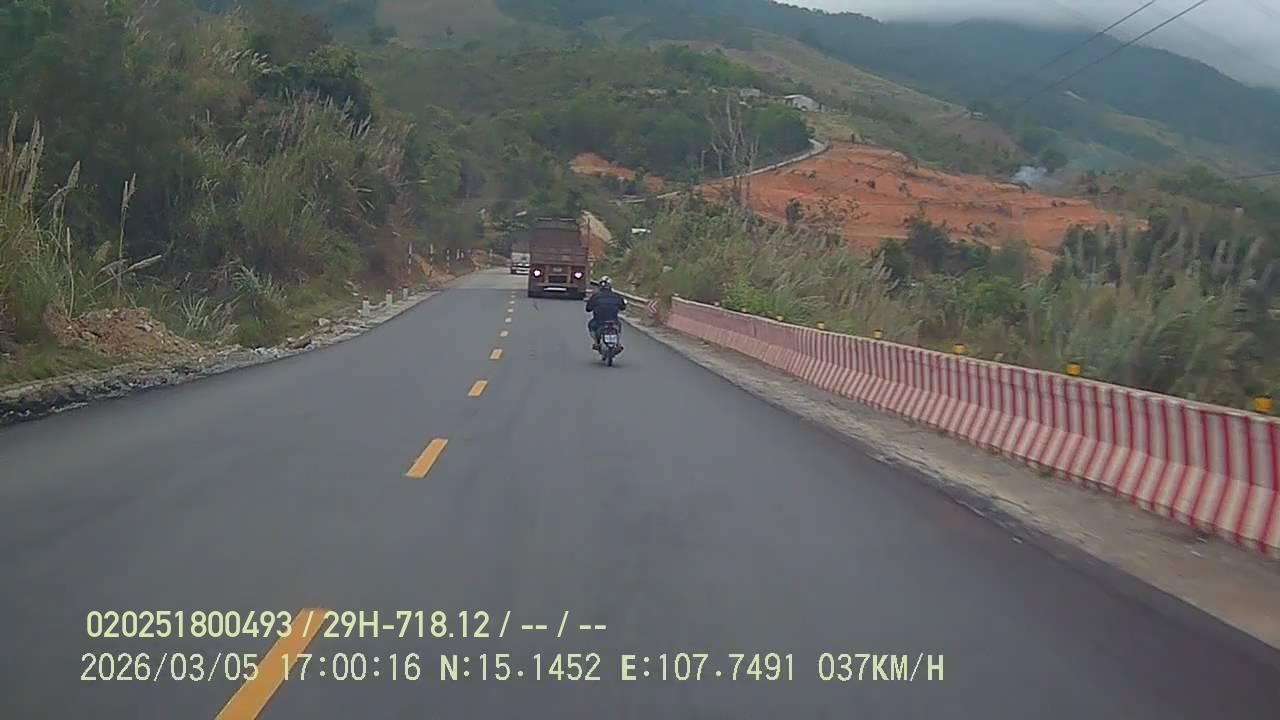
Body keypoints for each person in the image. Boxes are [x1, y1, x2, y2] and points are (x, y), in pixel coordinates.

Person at [585, 276, 627, 351]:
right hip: (613, 320)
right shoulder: (616, 296)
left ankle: (596, 343)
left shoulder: (595, 296)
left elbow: (588, 309)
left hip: (599, 321)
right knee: (619, 327)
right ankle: (618, 343)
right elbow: (623, 307)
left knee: (591, 325)